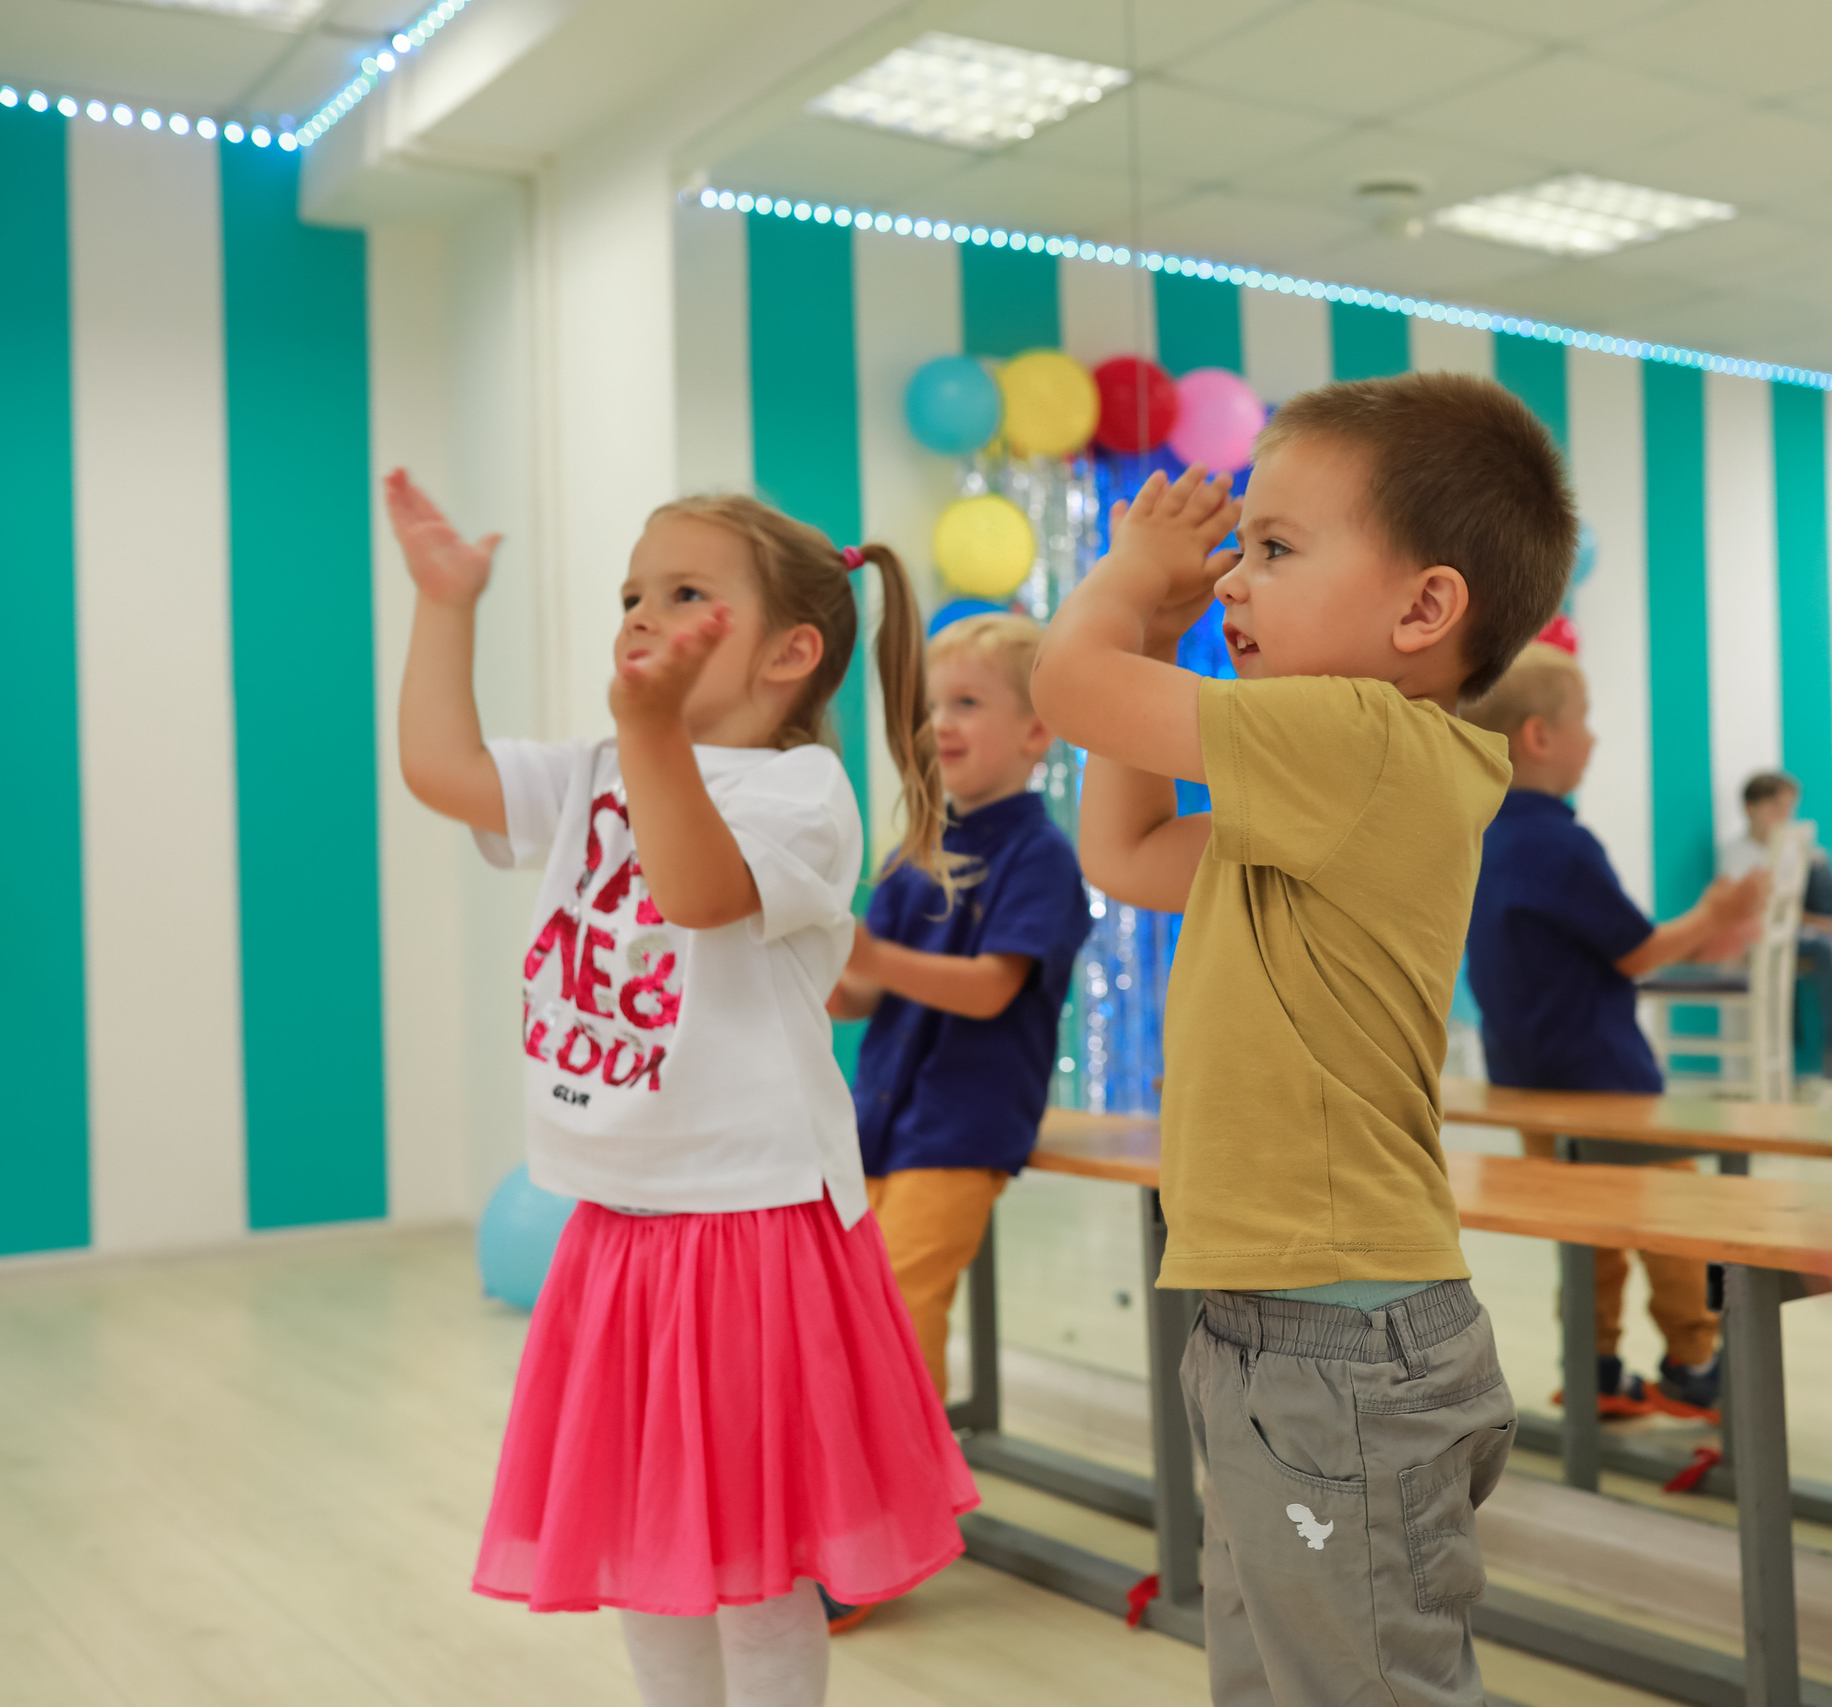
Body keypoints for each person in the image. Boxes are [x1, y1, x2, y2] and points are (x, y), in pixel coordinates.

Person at [388, 472, 975, 1705]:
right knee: (650, 1564)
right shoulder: (600, 766)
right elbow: (443, 771)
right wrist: (447, 608)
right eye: (632, 595)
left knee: (758, 1575)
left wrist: (650, 737)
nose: (643, 616)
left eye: (687, 594)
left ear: (790, 655)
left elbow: (698, 891)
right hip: (624, 1222)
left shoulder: (800, 796)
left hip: (752, 1226)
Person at [1031, 371, 1572, 1707]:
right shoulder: (1321, 792)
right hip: (1289, 1330)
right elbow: (1128, 847)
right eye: (1239, 550)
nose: (1234, 580)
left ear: (1423, 607)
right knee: (1280, 1673)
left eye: (1276, 548)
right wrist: (1153, 631)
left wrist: (1125, 581)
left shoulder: (1366, 741)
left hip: (1341, 1346)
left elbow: (1067, 683)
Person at [1461, 642, 1763, 1414]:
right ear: (1539, 736)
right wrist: (1712, 914)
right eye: (1584, 722)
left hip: (1524, 1078)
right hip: (1603, 1076)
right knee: (1673, 1219)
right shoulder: (1562, 842)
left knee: (1584, 1231)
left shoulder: (1478, 835)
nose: (1593, 738)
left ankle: (1592, 1366)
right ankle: (1695, 1360)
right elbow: (1635, 953)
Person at [830, 612, 1092, 1400]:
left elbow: (990, 988)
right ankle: (867, 1493)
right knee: (849, 1311)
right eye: (934, 707)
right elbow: (862, 997)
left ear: (1036, 730)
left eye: (967, 704)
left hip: (960, 1126)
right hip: (877, 1122)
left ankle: (912, 1505)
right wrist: (826, 964)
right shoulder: (914, 849)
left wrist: (871, 955)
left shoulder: (1040, 856)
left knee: (898, 1315)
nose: (941, 724)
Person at [1717, 772, 1832, 1081]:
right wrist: (1822, 924)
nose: (1784, 816)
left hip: (1799, 926)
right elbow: (1761, 911)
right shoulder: (1737, 855)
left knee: (1818, 865)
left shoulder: (1793, 851)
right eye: (1775, 807)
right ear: (1750, 808)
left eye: (1788, 808)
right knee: (1826, 945)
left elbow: (1794, 904)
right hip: (1764, 933)